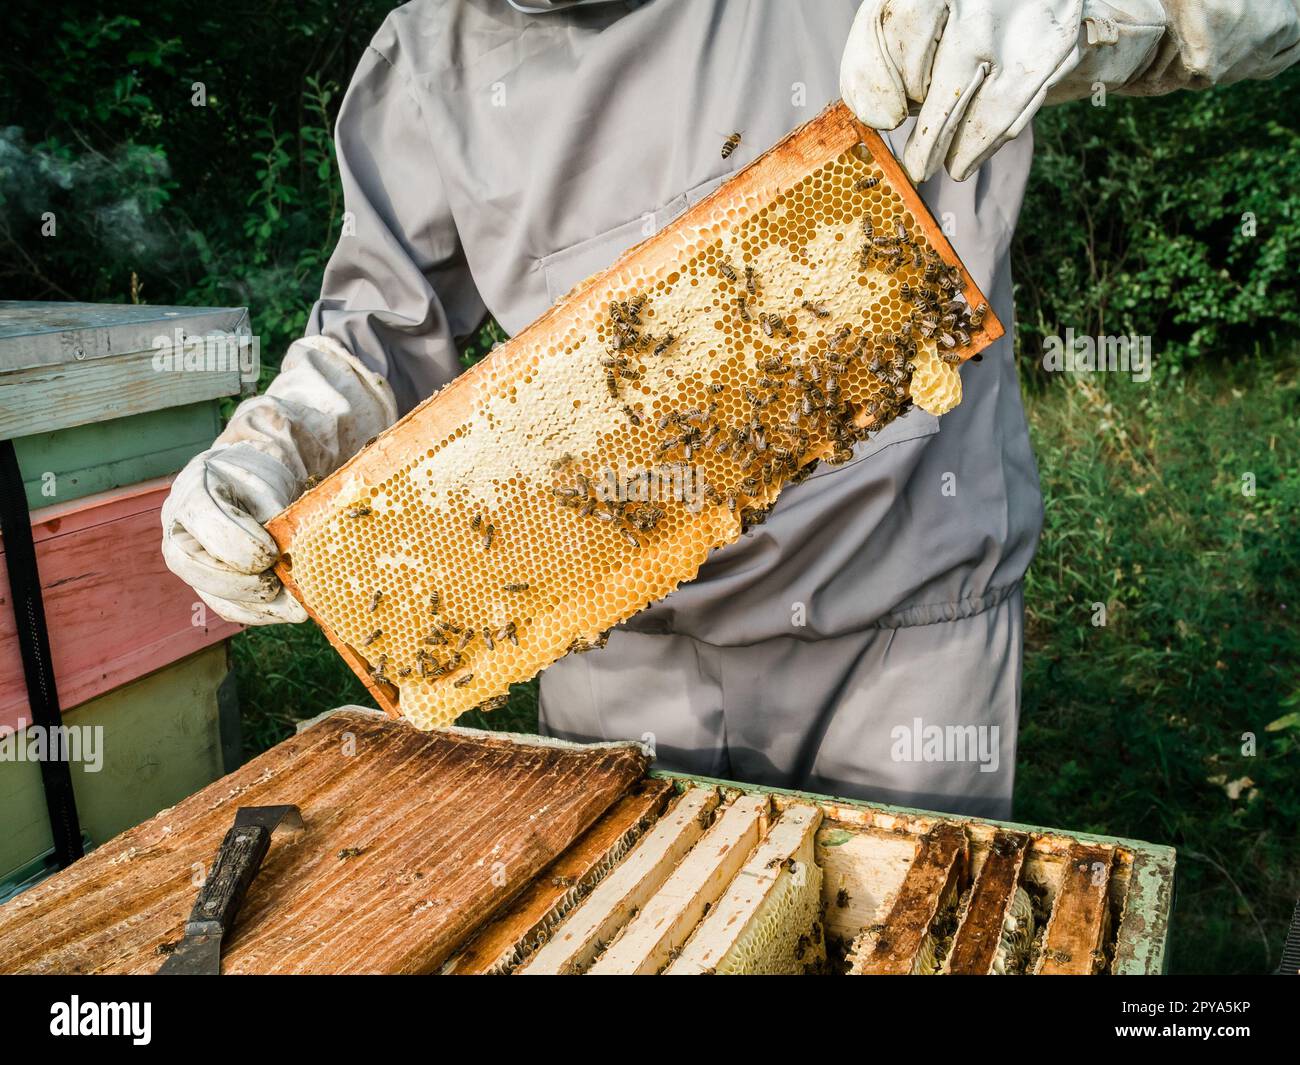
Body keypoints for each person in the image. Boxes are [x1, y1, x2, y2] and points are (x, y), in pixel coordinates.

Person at [162, 0, 1299, 819]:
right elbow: (375, 331)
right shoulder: (430, 53)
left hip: (904, 624)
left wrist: (1112, 13)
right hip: (617, 650)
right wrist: (284, 446)